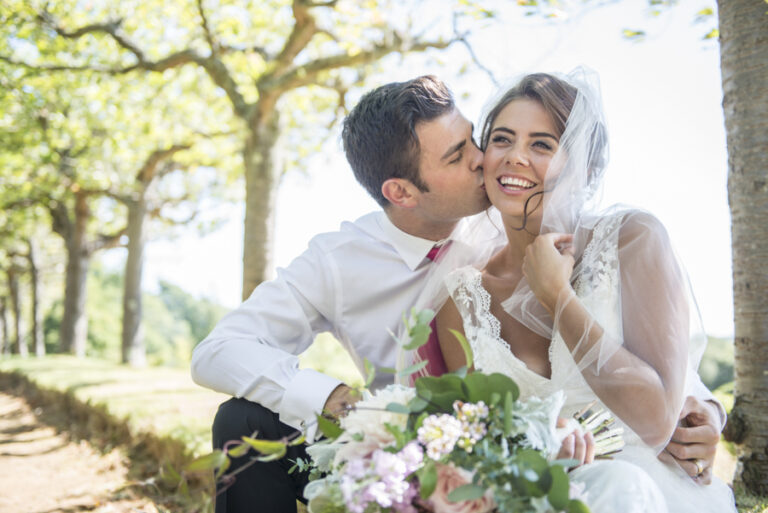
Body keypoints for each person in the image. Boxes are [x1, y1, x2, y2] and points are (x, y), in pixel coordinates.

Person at [191, 75, 725, 513]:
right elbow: (217, 351)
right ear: (401, 193)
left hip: (580, 455)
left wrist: (703, 409)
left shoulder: (517, 215)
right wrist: (336, 400)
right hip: (412, 444)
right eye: (459, 154)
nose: (484, 159)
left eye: (475, 138)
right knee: (242, 421)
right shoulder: (340, 261)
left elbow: (646, 348)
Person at [426, 69, 736, 512]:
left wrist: (558, 297)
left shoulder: (632, 239)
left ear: (584, 167)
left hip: (650, 492)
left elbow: (655, 423)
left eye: (542, 144)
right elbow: (482, 443)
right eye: (501, 139)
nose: (515, 157)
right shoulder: (463, 299)